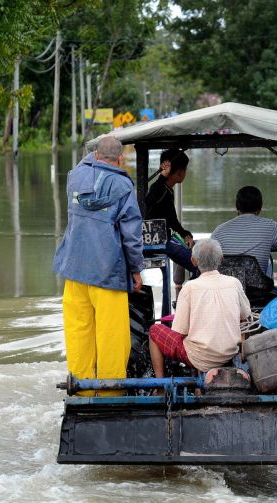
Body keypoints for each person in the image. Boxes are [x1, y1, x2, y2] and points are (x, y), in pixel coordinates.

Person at [53, 136, 143, 396]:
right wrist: (136, 269)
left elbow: (86, 163)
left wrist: (93, 158)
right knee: (112, 337)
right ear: (120, 159)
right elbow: (131, 235)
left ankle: (80, 391)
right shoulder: (123, 186)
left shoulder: (76, 176)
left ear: (94, 156)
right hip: (107, 273)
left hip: (75, 269)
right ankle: (110, 394)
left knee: (79, 332)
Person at [148, 239, 251, 376]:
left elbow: (180, 331)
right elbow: (245, 315)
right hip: (229, 353)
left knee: (154, 330)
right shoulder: (234, 283)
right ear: (221, 259)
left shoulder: (189, 288)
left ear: (193, 261)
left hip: (198, 359)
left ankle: (160, 387)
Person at [211, 186, 277, 277]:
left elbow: (211, 262)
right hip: (258, 289)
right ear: (260, 206)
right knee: (268, 258)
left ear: (236, 206)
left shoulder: (218, 231)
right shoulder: (270, 227)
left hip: (228, 288)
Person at [145, 149, 198, 275]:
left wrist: (185, 234)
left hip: (165, 240)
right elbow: (150, 200)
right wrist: (162, 176)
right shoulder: (158, 188)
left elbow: (172, 219)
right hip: (155, 242)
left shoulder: (168, 190)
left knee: (196, 250)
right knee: (197, 263)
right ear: (180, 172)